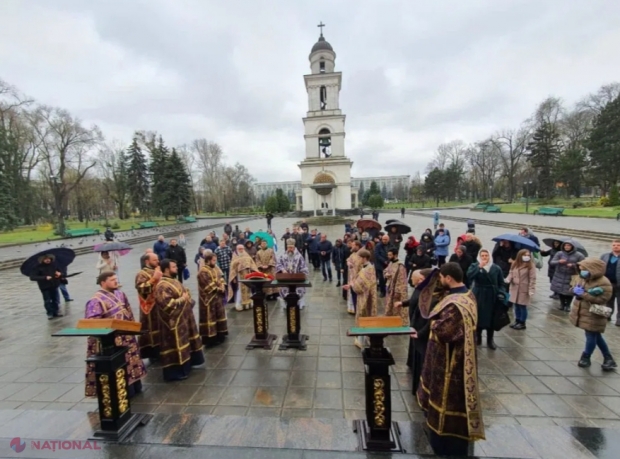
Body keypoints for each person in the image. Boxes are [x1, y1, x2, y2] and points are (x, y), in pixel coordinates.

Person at [416, 262, 485, 456]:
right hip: (453, 358)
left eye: (442, 278)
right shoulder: (467, 294)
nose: (440, 281)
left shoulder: (456, 305)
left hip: (451, 363)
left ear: (449, 278)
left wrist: (435, 322)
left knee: (447, 400)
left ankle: (445, 443)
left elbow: (446, 332)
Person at [84, 271, 146, 398]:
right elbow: (92, 324)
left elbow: (128, 311)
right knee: (119, 366)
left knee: (131, 362)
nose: (116, 281)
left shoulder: (120, 294)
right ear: (103, 282)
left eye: (116, 279)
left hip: (127, 336)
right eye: (112, 280)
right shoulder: (95, 301)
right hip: (113, 340)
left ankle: (135, 386)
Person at [154, 259, 204, 381]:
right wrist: (183, 299)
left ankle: (188, 364)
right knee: (175, 346)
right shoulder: (162, 286)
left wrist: (186, 295)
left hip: (183, 319)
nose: (176, 268)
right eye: (174, 267)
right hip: (172, 323)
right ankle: (176, 372)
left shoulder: (173, 280)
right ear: (166, 269)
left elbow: (183, 292)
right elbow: (166, 304)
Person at [570, 257, 616, 370]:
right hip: (583, 312)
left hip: (594, 314)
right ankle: (608, 358)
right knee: (596, 335)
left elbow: (603, 299)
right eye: (580, 269)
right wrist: (574, 291)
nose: (581, 271)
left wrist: (584, 294)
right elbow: (572, 287)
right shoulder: (582, 278)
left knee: (591, 335)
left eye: (583, 269)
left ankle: (586, 357)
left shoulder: (603, 282)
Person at [399, 268, 436, 393]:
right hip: (415, 325)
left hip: (421, 330)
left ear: (421, 279)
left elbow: (431, 320)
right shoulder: (419, 289)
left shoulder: (428, 295)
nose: (410, 280)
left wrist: (420, 333)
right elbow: (413, 300)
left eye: (413, 279)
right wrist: (403, 303)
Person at [467, 248, 506, 350]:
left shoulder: (496, 268)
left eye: (486, 255)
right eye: (482, 256)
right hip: (479, 294)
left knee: (491, 317)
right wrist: (479, 267)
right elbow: (469, 276)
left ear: (489, 256)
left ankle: (490, 340)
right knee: (478, 316)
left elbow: (501, 283)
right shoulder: (474, 266)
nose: (485, 258)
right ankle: (478, 337)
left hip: (491, 294)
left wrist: (501, 293)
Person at [343, 249, 377, 349]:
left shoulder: (368, 269)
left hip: (366, 297)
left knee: (363, 315)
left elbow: (360, 285)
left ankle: (362, 340)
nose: (358, 260)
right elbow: (358, 280)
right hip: (364, 295)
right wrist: (350, 285)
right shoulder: (366, 267)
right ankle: (363, 338)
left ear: (364, 258)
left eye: (360, 258)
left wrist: (352, 285)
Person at [135, 253, 162, 360]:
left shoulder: (158, 270)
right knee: (151, 328)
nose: (158, 262)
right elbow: (141, 288)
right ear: (147, 261)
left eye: (158, 259)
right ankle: (153, 353)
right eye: (155, 260)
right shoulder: (142, 274)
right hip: (150, 308)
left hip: (160, 305)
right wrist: (153, 279)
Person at [198, 253, 228, 347]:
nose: (215, 262)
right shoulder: (203, 271)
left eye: (215, 260)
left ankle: (220, 334)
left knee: (219, 315)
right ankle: (211, 338)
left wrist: (223, 285)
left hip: (217, 296)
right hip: (208, 298)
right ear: (208, 261)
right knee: (210, 317)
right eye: (213, 260)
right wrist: (219, 288)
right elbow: (207, 284)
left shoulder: (215, 268)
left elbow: (221, 277)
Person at [505, 249, 537, 330]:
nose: (527, 257)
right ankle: (517, 320)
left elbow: (532, 278)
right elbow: (511, 272)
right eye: (525, 255)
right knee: (516, 305)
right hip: (514, 288)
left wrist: (531, 290)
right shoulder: (515, 263)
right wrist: (508, 279)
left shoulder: (530, 265)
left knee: (522, 306)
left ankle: (522, 323)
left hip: (524, 288)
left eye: (528, 255)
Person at [550, 241, 585, 311]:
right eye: (565, 245)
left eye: (569, 245)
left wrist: (573, 265)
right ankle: (562, 304)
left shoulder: (579, 255)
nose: (567, 247)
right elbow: (552, 262)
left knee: (570, 292)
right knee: (560, 290)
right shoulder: (559, 253)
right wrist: (559, 261)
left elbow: (583, 265)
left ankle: (568, 305)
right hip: (559, 275)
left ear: (572, 246)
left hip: (572, 276)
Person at [276, 239, 309, 309]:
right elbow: (278, 264)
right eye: (288, 247)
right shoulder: (283, 256)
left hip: (296, 279)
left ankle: (299, 305)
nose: (289, 249)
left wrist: (301, 273)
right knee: (284, 290)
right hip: (286, 278)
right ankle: (286, 304)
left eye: (291, 247)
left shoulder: (299, 256)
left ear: (294, 247)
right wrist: (282, 269)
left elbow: (304, 267)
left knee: (298, 291)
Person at [29, 253, 64, 319]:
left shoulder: (54, 265)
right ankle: (50, 313)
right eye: (45, 259)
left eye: (48, 259)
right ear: (42, 260)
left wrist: (60, 274)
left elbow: (61, 272)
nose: (47, 260)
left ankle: (56, 312)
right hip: (44, 286)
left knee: (55, 299)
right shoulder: (37, 267)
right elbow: (32, 277)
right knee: (47, 300)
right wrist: (45, 277)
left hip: (54, 284)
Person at [228, 244, 259, 311]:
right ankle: (239, 304)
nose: (241, 250)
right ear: (237, 249)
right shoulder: (235, 255)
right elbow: (232, 267)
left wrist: (256, 271)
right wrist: (236, 263)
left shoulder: (246, 254)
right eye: (240, 249)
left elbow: (252, 263)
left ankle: (249, 303)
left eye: (242, 248)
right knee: (240, 290)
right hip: (239, 275)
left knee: (248, 289)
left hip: (248, 274)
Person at [384, 248, 409, 325]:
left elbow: (401, 280)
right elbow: (385, 271)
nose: (388, 256)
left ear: (395, 255)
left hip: (396, 289)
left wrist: (398, 291)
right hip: (389, 287)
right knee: (389, 305)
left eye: (390, 255)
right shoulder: (391, 263)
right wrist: (386, 274)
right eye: (388, 255)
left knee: (396, 308)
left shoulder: (400, 265)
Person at [600, 240, 620, 325]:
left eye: (618, 245)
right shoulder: (605, 256)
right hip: (607, 283)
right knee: (608, 300)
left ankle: (619, 319)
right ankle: (607, 315)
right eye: (614, 245)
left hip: (618, 283)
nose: (615, 247)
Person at [346, 240, 363, 314]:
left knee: (356, 295)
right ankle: (352, 308)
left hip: (357, 278)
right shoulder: (353, 253)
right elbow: (348, 259)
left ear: (357, 246)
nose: (351, 246)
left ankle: (357, 309)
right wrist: (348, 262)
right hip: (351, 277)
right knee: (352, 294)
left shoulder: (361, 255)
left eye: (353, 245)